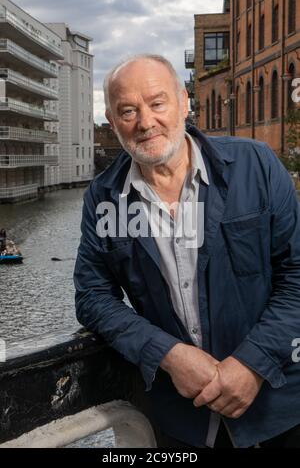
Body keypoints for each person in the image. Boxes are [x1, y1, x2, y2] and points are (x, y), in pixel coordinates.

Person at [73, 55, 300, 448]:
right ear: (112, 122)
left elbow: (296, 273)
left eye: (157, 103)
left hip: (278, 406)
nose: (145, 122)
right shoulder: (103, 197)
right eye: (128, 111)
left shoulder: (256, 165)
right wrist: (168, 354)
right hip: (183, 422)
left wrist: (253, 363)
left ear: (184, 101)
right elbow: (92, 296)